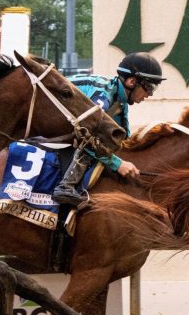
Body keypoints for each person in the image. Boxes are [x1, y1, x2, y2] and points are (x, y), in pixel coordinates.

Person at [51, 52, 165, 207]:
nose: (150, 94)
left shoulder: (120, 100)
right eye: (149, 87)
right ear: (132, 81)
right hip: (47, 112)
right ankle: (65, 187)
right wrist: (117, 164)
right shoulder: (104, 96)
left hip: (62, 115)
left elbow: (123, 138)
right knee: (93, 137)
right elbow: (86, 134)